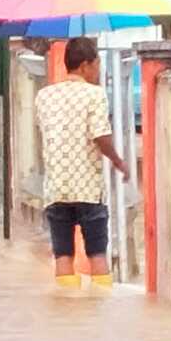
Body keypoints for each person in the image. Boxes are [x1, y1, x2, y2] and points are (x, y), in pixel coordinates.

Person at [35, 37, 129, 291]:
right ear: (86, 64)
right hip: (87, 187)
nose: (98, 70)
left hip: (56, 187)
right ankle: (99, 315)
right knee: (97, 252)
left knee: (63, 254)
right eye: (97, 64)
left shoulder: (44, 96)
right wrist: (119, 162)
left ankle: (67, 310)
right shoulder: (94, 95)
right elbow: (100, 136)